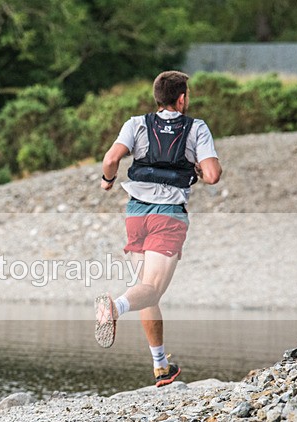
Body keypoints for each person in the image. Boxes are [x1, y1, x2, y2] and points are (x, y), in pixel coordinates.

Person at [95, 70, 222, 387]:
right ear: (182, 99)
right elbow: (213, 174)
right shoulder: (196, 128)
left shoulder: (136, 124)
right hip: (168, 216)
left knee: (147, 291)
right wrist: (198, 169)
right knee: (150, 289)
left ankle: (161, 366)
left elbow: (111, 159)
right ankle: (115, 306)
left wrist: (108, 181)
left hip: (136, 213)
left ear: (158, 98)